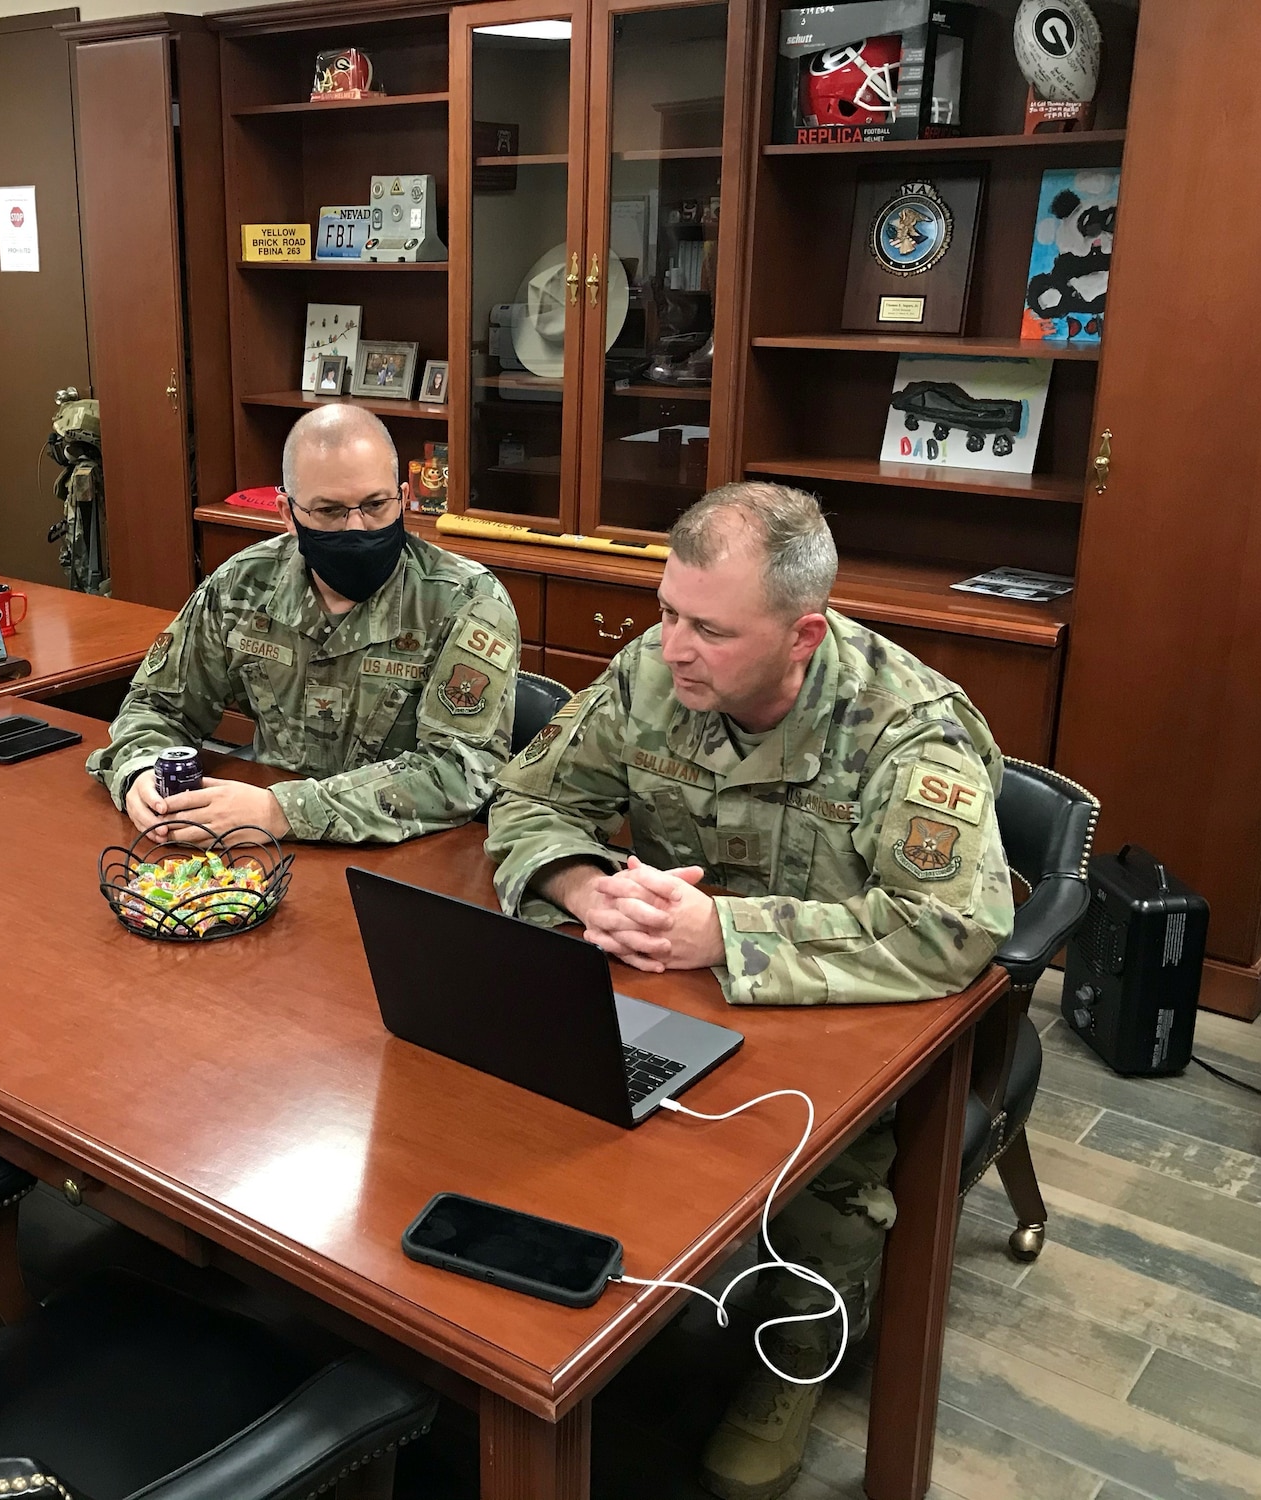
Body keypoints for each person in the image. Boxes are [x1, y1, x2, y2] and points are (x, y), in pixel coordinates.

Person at [485, 481, 1015, 1500]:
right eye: (666, 612)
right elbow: (529, 795)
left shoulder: (903, 729)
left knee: (828, 1174)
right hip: (673, 983)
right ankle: (562, 1331)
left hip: (842, 1015)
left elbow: (949, 931)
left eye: (710, 631)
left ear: (801, 633)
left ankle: (796, 1349)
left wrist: (719, 932)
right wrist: (581, 885)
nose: (673, 648)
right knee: (524, 1073)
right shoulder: (652, 671)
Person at [88, 404, 519, 844]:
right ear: (287, 514)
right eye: (330, 511)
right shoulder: (243, 585)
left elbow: (459, 771)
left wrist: (283, 812)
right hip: (260, 847)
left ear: (404, 497)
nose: (357, 527)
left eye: (375, 505)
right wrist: (141, 772)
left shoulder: (467, 600)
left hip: (403, 852)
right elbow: (157, 707)